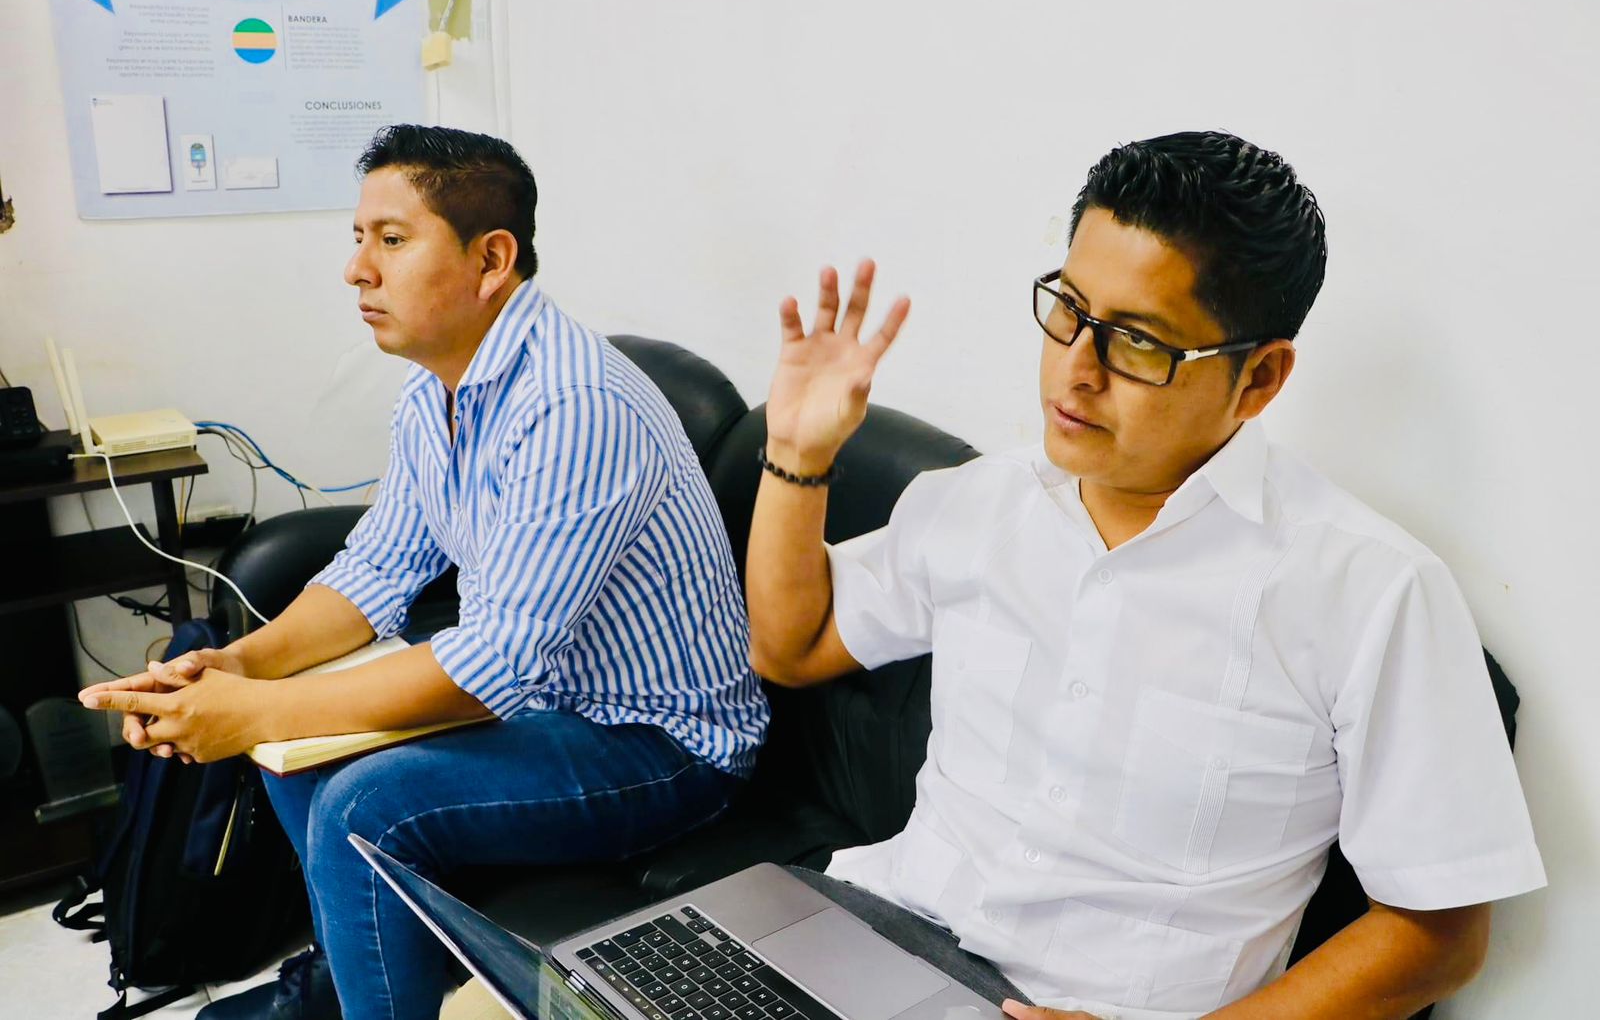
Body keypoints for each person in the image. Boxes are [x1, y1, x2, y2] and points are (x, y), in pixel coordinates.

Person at [745, 131, 1544, 1020]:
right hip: (865, 938)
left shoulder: (1370, 590)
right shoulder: (983, 501)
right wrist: (797, 452)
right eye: (1069, 309)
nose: (1076, 371)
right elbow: (792, 646)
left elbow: (1440, 935)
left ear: (1259, 378)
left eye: (1136, 341)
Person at [80, 125, 769, 1020]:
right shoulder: (436, 385)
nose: (357, 270)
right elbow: (379, 566)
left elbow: (494, 665)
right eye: (358, 238)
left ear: (491, 260)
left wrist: (255, 709)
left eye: (392, 240)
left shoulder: (575, 406)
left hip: (662, 743)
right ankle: (339, 983)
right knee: (293, 752)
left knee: (363, 801)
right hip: (547, 704)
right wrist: (240, 668)